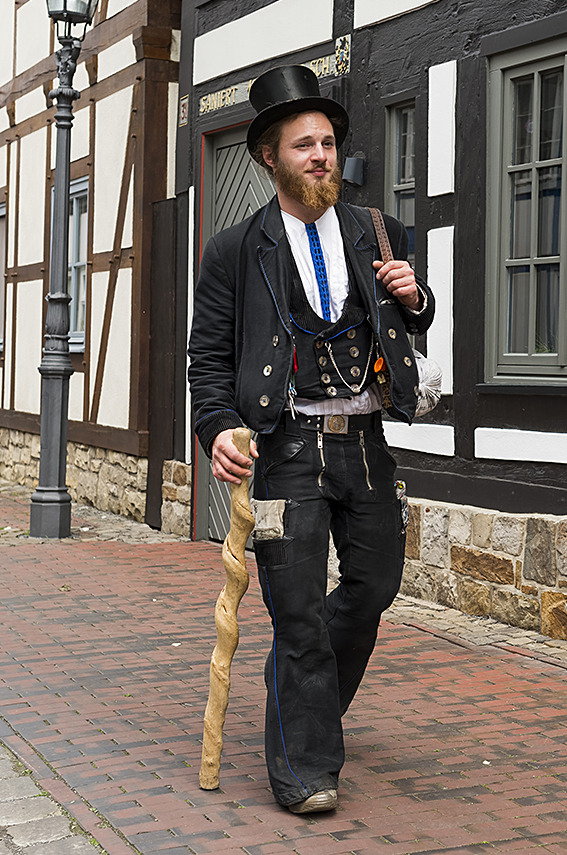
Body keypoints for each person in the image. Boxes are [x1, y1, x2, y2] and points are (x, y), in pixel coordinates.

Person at [188, 65, 434, 815]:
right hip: (286, 449)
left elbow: (412, 320)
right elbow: (207, 360)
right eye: (304, 145)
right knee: (296, 612)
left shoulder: (377, 230)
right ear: (271, 155)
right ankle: (304, 768)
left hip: (364, 443)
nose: (321, 155)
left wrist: (414, 298)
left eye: (327, 141)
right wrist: (218, 428)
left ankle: (306, 704)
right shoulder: (236, 249)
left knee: (372, 590)